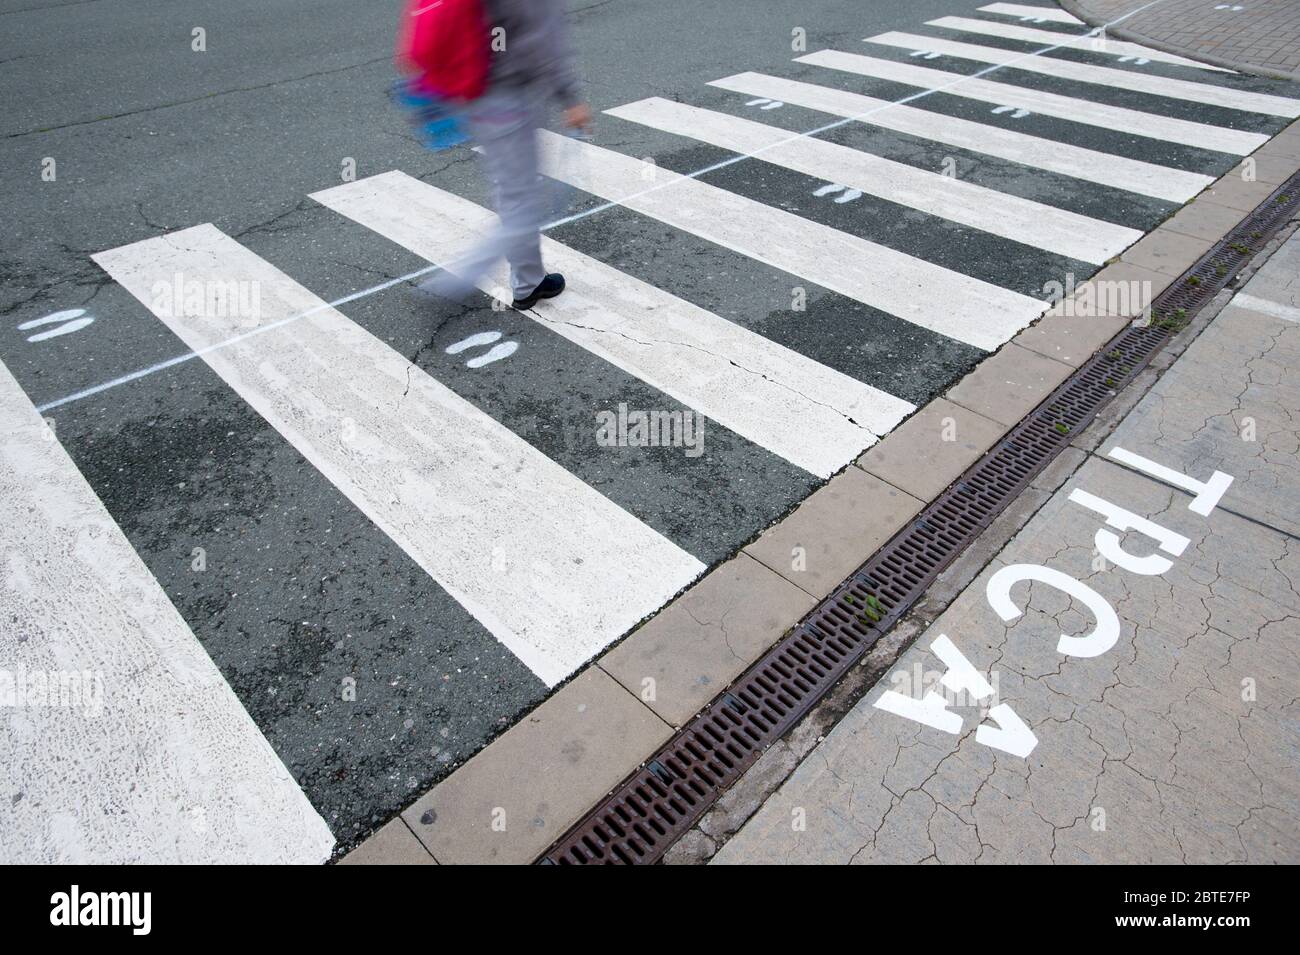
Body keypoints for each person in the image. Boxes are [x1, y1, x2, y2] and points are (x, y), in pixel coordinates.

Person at [423, 0, 592, 310]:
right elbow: (544, 40)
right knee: (523, 206)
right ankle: (457, 280)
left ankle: (529, 280)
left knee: (512, 192)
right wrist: (571, 98)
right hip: (509, 99)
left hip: (475, 92)